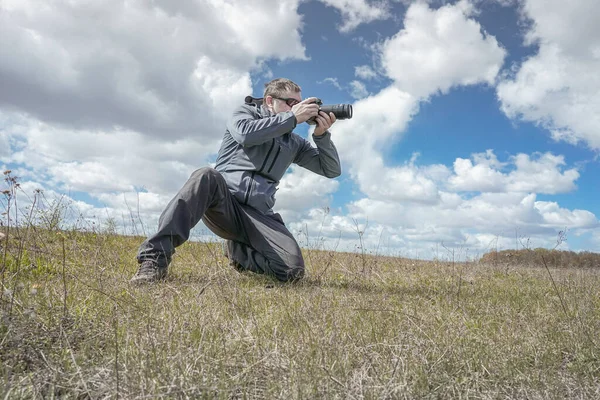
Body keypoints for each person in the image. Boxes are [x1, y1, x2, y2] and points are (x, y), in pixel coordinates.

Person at [131, 78, 341, 284]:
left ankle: (238, 253)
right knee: (206, 175)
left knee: (292, 271)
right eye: (292, 103)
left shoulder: (295, 143)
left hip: (259, 216)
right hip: (224, 205)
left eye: (300, 104)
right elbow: (245, 135)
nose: (298, 108)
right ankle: (154, 259)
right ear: (270, 101)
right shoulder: (244, 114)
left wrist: (322, 136)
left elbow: (331, 170)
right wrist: (292, 118)